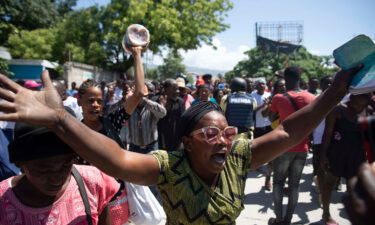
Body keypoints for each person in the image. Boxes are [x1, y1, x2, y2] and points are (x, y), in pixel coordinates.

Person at [0, 63, 363, 224]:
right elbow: (118, 161)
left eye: (227, 133)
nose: (222, 140)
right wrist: (61, 119)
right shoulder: (168, 166)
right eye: (209, 134)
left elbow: (287, 133)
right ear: (187, 143)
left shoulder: (237, 157)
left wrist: (337, 90)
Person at [0, 122, 120, 224]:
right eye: (44, 169)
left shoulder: (93, 182)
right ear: (20, 163)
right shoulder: (3, 201)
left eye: (66, 164)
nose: (56, 179)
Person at [268, 66, 317, 225]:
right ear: (299, 78)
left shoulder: (278, 98)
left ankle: (279, 219)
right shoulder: (311, 97)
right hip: (302, 147)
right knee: (294, 185)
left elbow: (271, 118)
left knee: (278, 183)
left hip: (282, 146)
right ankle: (288, 220)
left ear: (286, 78)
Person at [318, 93, 371, 225]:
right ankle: (326, 214)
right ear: (352, 98)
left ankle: (354, 217)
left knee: (353, 188)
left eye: (365, 102)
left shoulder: (368, 110)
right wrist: (323, 155)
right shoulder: (337, 110)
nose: (361, 106)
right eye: (359, 102)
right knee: (328, 184)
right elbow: (328, 133)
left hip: (357, 155)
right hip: (337, 153)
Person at [128, 82, 166, 153]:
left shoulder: (151, 106)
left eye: (142, 96)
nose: (139, 98)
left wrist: (145, 101)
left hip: (151, 147)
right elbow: (112, 111)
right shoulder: (130, 107)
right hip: (134, 147)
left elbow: (163, 113)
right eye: (137, 96)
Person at [251, 79, 273, 191]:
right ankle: (256, 164)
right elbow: (252, 110)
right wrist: (263, 105)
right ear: (256, 85)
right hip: (257, 126)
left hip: (269, 125)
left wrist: (269, 104)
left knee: (271, 151)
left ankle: (268, 178)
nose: (262, 85)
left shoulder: (269, 95)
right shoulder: (252, 95)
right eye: (259, 84)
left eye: (263, 83)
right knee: (257, 148)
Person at [156, 79, 185, 151]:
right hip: (160, 138)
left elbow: (182, 119)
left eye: (178, 89)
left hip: (176, 139)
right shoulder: (157, 101)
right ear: (166, 90)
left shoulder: (180, 102)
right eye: (175, 89)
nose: (178, 91)